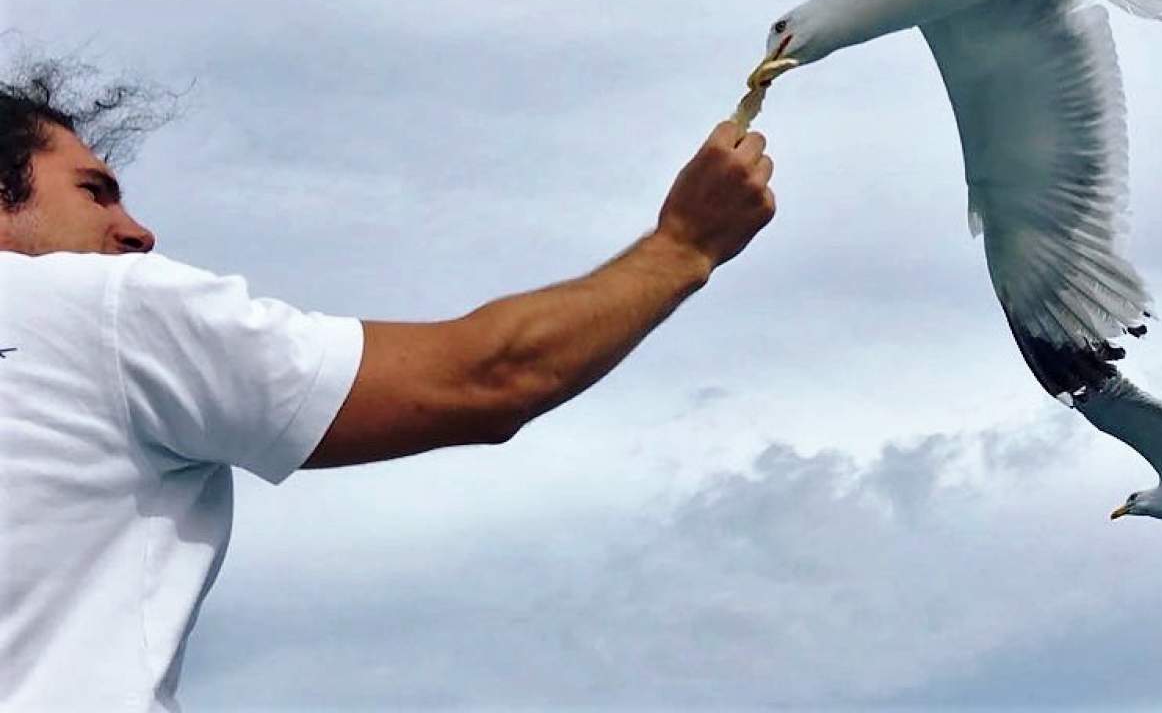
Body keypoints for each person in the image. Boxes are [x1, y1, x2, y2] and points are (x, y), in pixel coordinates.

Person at [0, 61, 776, 711]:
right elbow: (485, 378)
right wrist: (685, 245)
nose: (137, 230)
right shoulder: (93, 307)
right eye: (96, 192)